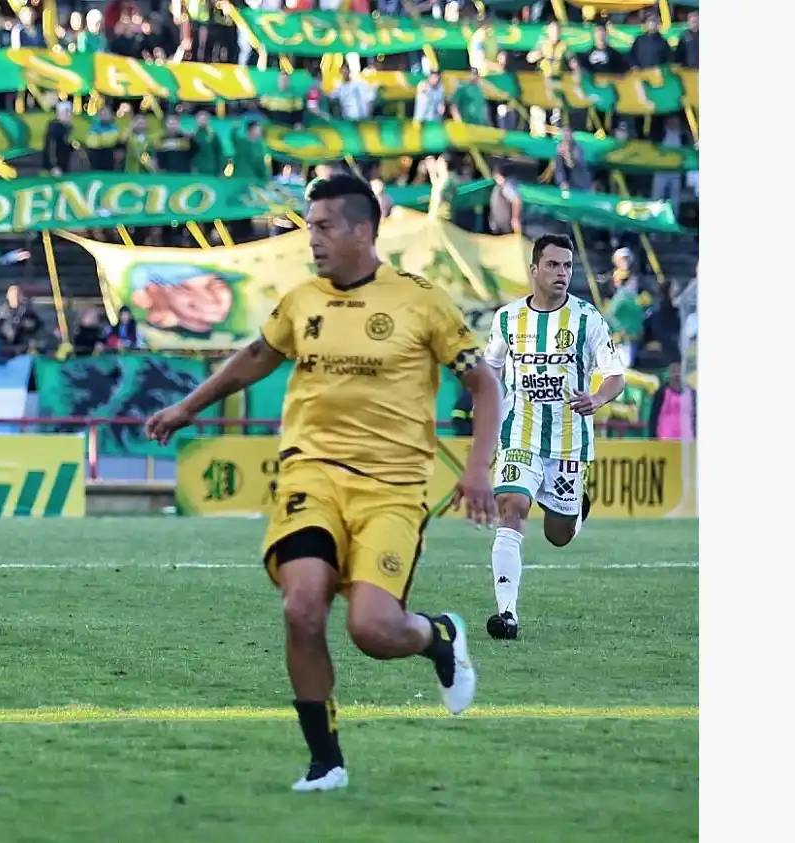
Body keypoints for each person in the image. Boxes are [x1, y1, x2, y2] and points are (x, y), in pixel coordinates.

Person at [144, 174, 500, 794]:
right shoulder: (303, 300)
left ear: (364, 230)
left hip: (392, 488)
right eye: (309, 226)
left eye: (325, 226)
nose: (313, 239)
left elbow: (484, 385)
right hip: (312, 475)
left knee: (374, 630)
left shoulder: (421, 301)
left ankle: (437, 635)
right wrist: (188, 407)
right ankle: (325, 761)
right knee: (302, 606)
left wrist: (476, 469)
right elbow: (258, 356)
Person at [482, 234, 626, 641]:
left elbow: (615, 375)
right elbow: (491, 368)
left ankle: (575, 510)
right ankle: (506, 614)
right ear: (534, 269)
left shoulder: (587, 319)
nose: (562, 273)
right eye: (553, 265)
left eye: (567, 266)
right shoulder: (507, 319)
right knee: (511, 506)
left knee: (558, 535)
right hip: (519, 432)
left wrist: (597, 398)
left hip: (567, 440)